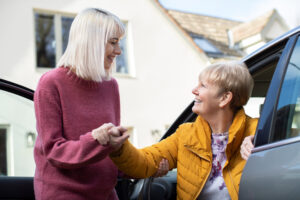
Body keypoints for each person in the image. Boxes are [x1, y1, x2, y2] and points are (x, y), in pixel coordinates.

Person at [33, 8, 167, 200]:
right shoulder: (51, 83)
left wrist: (145, 168)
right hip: (64, 194)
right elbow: (54, 152)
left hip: (106, 194)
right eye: (113, 42)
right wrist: (97, 140)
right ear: (92, 41)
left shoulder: (110, 85)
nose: (119, 51)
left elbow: (113, 151)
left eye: (119, 43)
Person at [104, 62, 259, 200]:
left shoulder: (258, 130)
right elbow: (145, 161)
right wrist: (119, 147)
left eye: (203, 86)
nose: (194, 90)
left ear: (224, 98)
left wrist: (258, 143)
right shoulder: (185, 134)